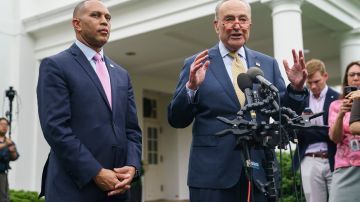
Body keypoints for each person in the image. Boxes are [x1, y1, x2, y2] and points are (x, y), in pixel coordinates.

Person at [167, 0, 308, 201]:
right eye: (229, 19)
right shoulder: (196, 63)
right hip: (212, 176)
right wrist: (192, 88)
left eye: (242, 19)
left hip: (261, 172)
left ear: (249, 25)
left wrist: (296, 88)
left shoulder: (267, 64)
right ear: (216, 25)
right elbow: (176, 119)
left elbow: (282, 114)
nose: (236, 25)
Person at [36, 1, 142, 201]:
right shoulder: (56, 66)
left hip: (118, 189)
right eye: (96, 15)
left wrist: (133, 167)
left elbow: (132, 130)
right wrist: (95, 172)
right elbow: (56, 128)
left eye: (108, 18)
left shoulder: (122, 74)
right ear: (77, 24)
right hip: (74, 187)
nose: (104, 22)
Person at [292, 59, 339, 202]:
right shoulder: (301, 99)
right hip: (308, 159)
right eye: (309, 83)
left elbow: (337, 133)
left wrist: (311, 129)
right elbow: (298, 130)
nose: (312, 86)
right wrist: (325, 131)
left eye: (316, 81)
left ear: (325, 76)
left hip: (334, 158)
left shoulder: (337, 98)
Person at [328, 61, 360, 202]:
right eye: (352, 74)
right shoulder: (336, 105)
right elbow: (335, 138)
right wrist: (341, 115)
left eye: (359, 74)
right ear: (346, 79)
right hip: (345, 165)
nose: (355, 78)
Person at [0, 117, 19, 202]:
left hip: (3, 174)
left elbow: (14, 157)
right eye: (1, 124)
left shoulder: (9, 141)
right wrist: (5, 144)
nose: (4, 126)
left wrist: (13, 151)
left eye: (6, 125)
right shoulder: (6, 142)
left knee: (5, 198)